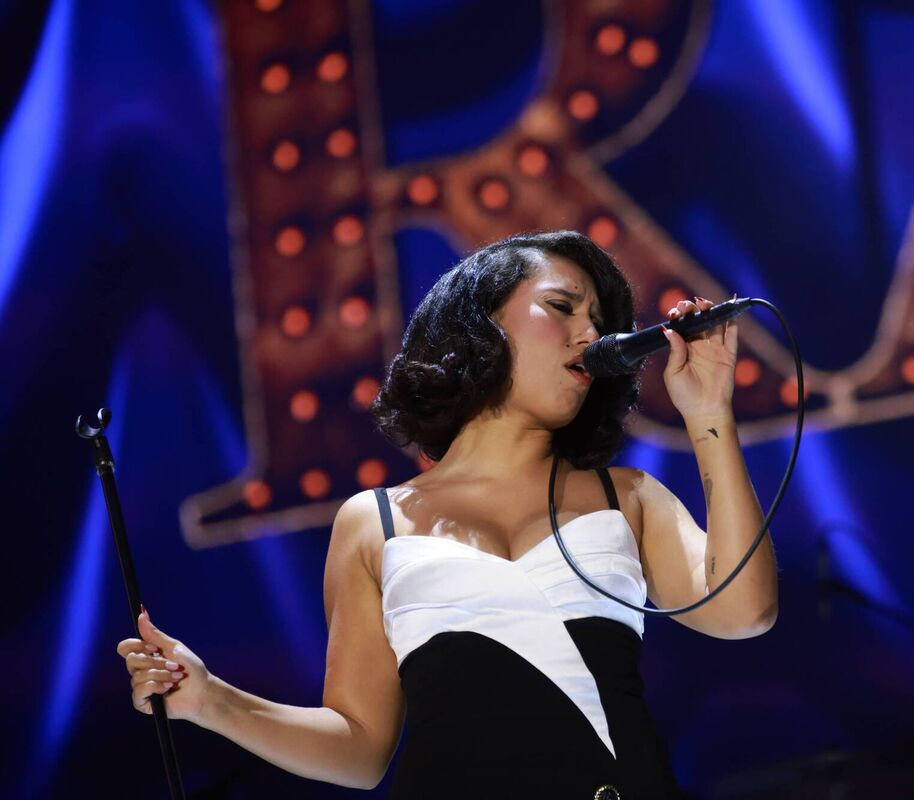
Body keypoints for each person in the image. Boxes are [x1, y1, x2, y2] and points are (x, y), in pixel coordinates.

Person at [116, 230, 779, 798]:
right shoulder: (375, 522)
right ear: (480, 326)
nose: (592, 334)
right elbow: (359, 745)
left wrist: (708, 412)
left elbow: (744, 609)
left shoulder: (626, 497)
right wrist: (211, 701)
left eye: (599, 320)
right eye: (562, 307)